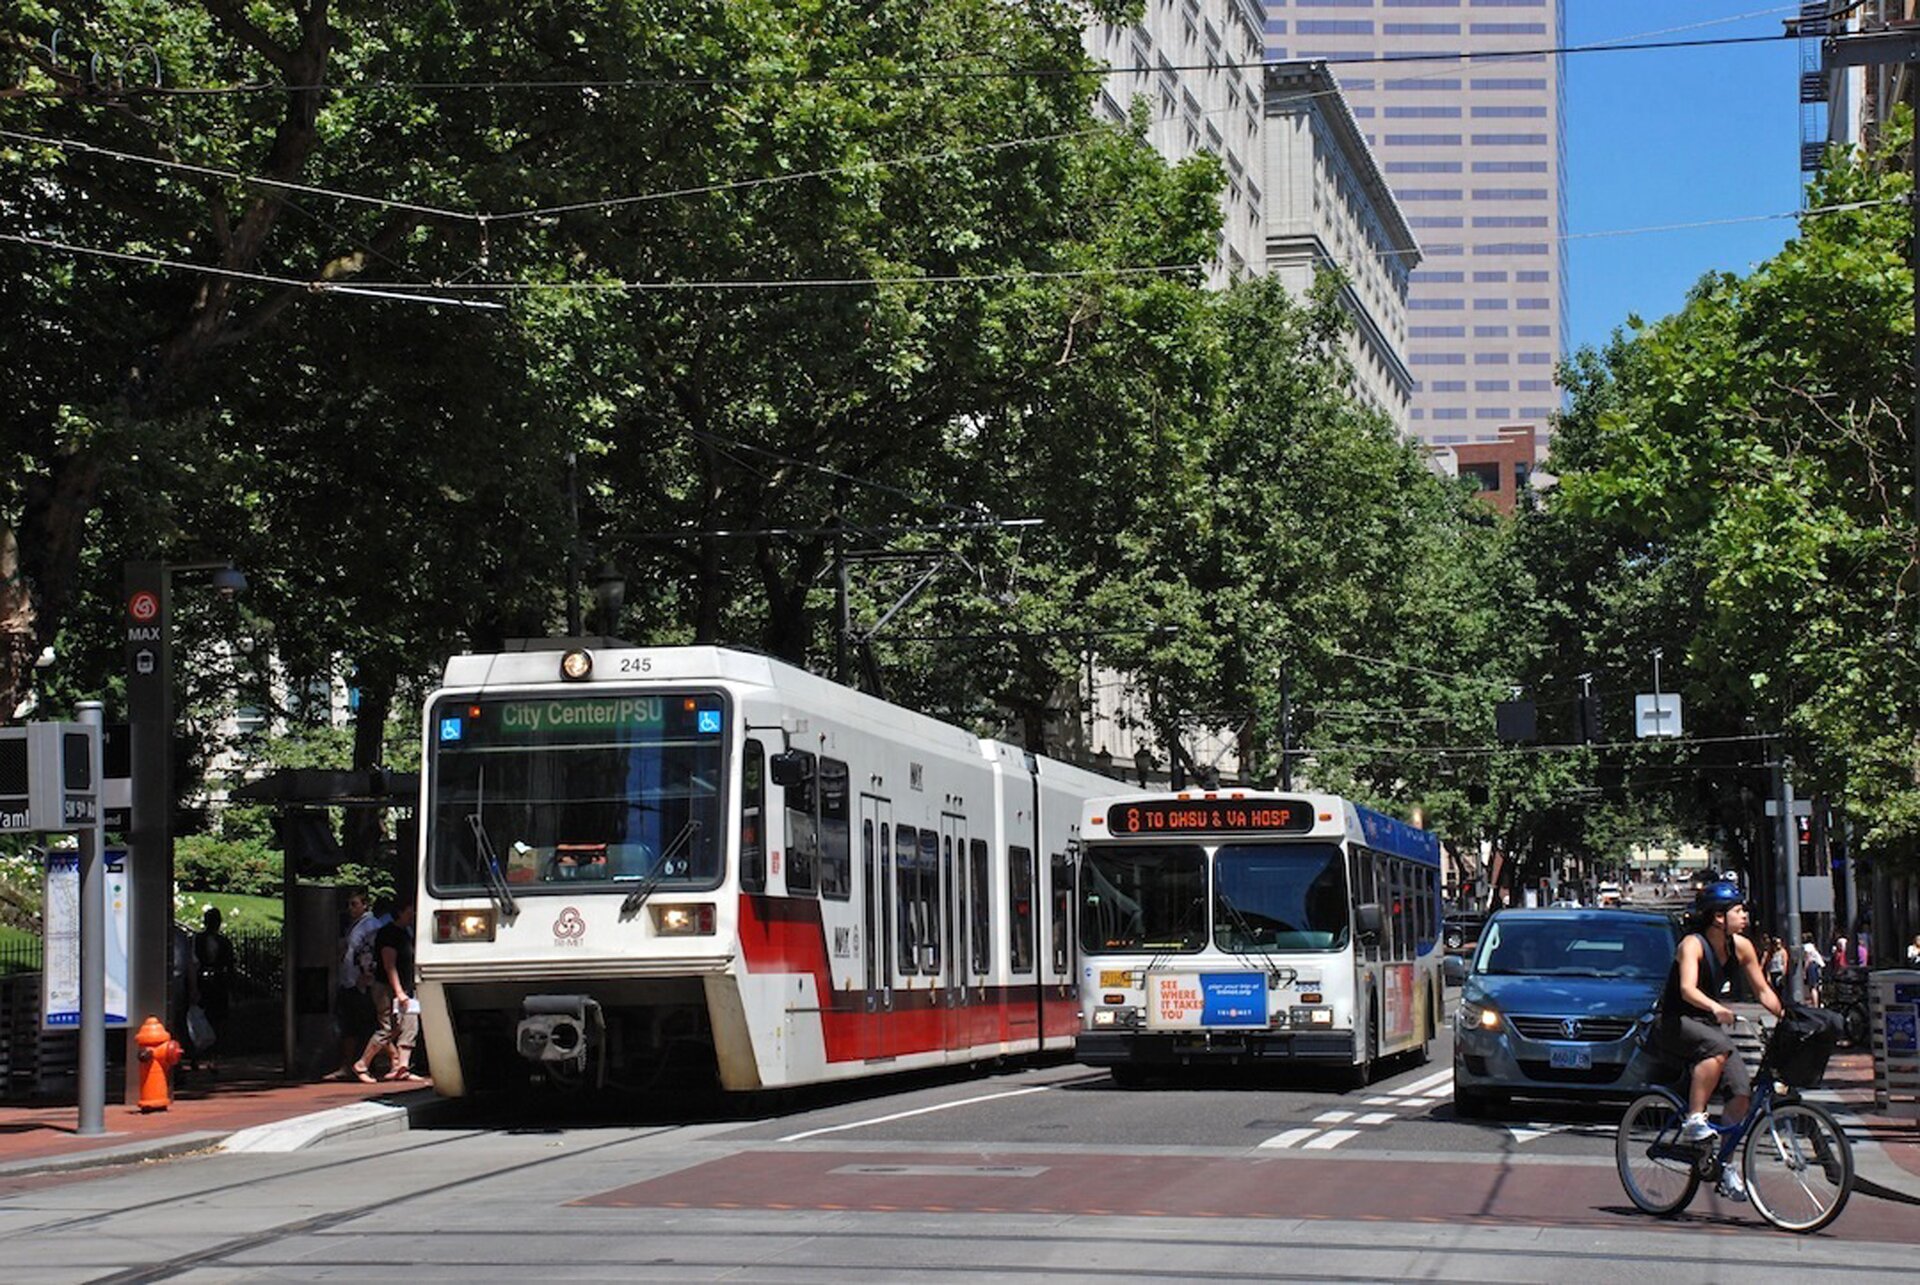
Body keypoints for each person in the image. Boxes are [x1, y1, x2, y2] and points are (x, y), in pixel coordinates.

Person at [1655, 880, 1784, 1203]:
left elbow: (1763, 990)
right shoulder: (1692, 945)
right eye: (1738, 911)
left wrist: (1787, 1016)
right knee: (1718, 1049)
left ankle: (1724, 1165)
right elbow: (1687, 989)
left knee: (1741, 1091)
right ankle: (1695, 1119)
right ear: (1717, 917)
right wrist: (1715, 1007)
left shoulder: (1741, 947)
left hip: (1707, 1024)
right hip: (1675, 1021)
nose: (1744, 916)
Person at [351, 900, 424, 1083]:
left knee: (410, 1024)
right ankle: (362, 1064)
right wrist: (398, 991)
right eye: (410, 911)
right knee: (388, 1028)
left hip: (404, 988)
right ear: (399, 912)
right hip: (387, 988)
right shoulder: (389, 934)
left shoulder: (405, 933)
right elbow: (389, 965)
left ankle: (402, 1067)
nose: (413, 915)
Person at [331, 890, 381, 1081]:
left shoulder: (370, 926)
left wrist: (365, 974)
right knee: (351, 1024)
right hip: (350, 980)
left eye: (354, 904)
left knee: (361, 1024)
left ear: (365, 905)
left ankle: (385, 1060)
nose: (350, 909)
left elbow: (369, 951)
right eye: (349, 904)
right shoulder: (357, 925)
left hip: (360, 982)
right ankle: (354, 1064)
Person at [189, 906, 236, 1073]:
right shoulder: (197, 940)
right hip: (203, 981)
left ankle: (212, 1057)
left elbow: (230, 966)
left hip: (218, 983)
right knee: (201, 1021)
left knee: (217, 1021)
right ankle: (198, 1056)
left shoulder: (223, 942)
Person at [1801, 935, 1826, 1006]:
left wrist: (1804, 971)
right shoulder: (1812, 946)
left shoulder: (1807, 946)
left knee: (1812, 987)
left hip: (1812, 966)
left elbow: (1807, 959)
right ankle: (1817, 1003)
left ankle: (1815, 1005)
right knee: (1816, 987)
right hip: (1817, 966)